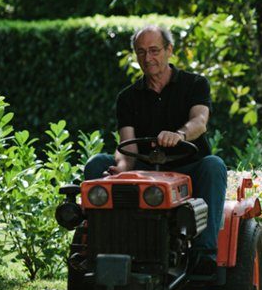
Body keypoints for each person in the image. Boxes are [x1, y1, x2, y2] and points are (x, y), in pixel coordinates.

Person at [84, 24, 226, 273]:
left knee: (214, 165)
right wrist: (120, 169)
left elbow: (200, 122)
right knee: (96, 163)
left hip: (187, 168)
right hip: (145, 169)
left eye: (154, 50)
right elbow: (126, 142)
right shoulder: (127, 97)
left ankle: (204, 255)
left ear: (169, 50)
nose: (147, 58)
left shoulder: (194, 84)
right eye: (141, 52)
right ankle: (101, 247)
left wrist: (179, 134)